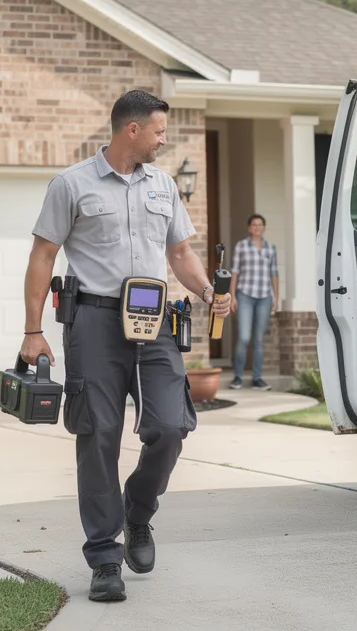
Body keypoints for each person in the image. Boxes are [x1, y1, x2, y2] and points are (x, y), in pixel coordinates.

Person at [20, 90, 232, 603]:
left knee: (171, 425)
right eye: (159, 131)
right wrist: (32, 330)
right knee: (99, 434)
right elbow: (43, 256)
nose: (164, 140)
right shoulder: (72, 184)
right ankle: (104, 558)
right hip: (93, 321)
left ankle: (138, 510)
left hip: (154, 319)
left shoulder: (163, 186)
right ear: (131, 130)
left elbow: (179, 253)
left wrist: (208, 292)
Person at [228, 214, 279, 390]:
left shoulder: (271, 248)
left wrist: (276, 297)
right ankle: (237, 377)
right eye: (254, 224)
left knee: (258, 340)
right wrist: (232, 295)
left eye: (260, 224)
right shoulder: (241, 246)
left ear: (264, 227)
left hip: (265, 297)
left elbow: (274, 274)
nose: (257, 227)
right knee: (244, 337)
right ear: (249, 228)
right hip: (245, 295)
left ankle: (257, 378)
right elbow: (234, 271)